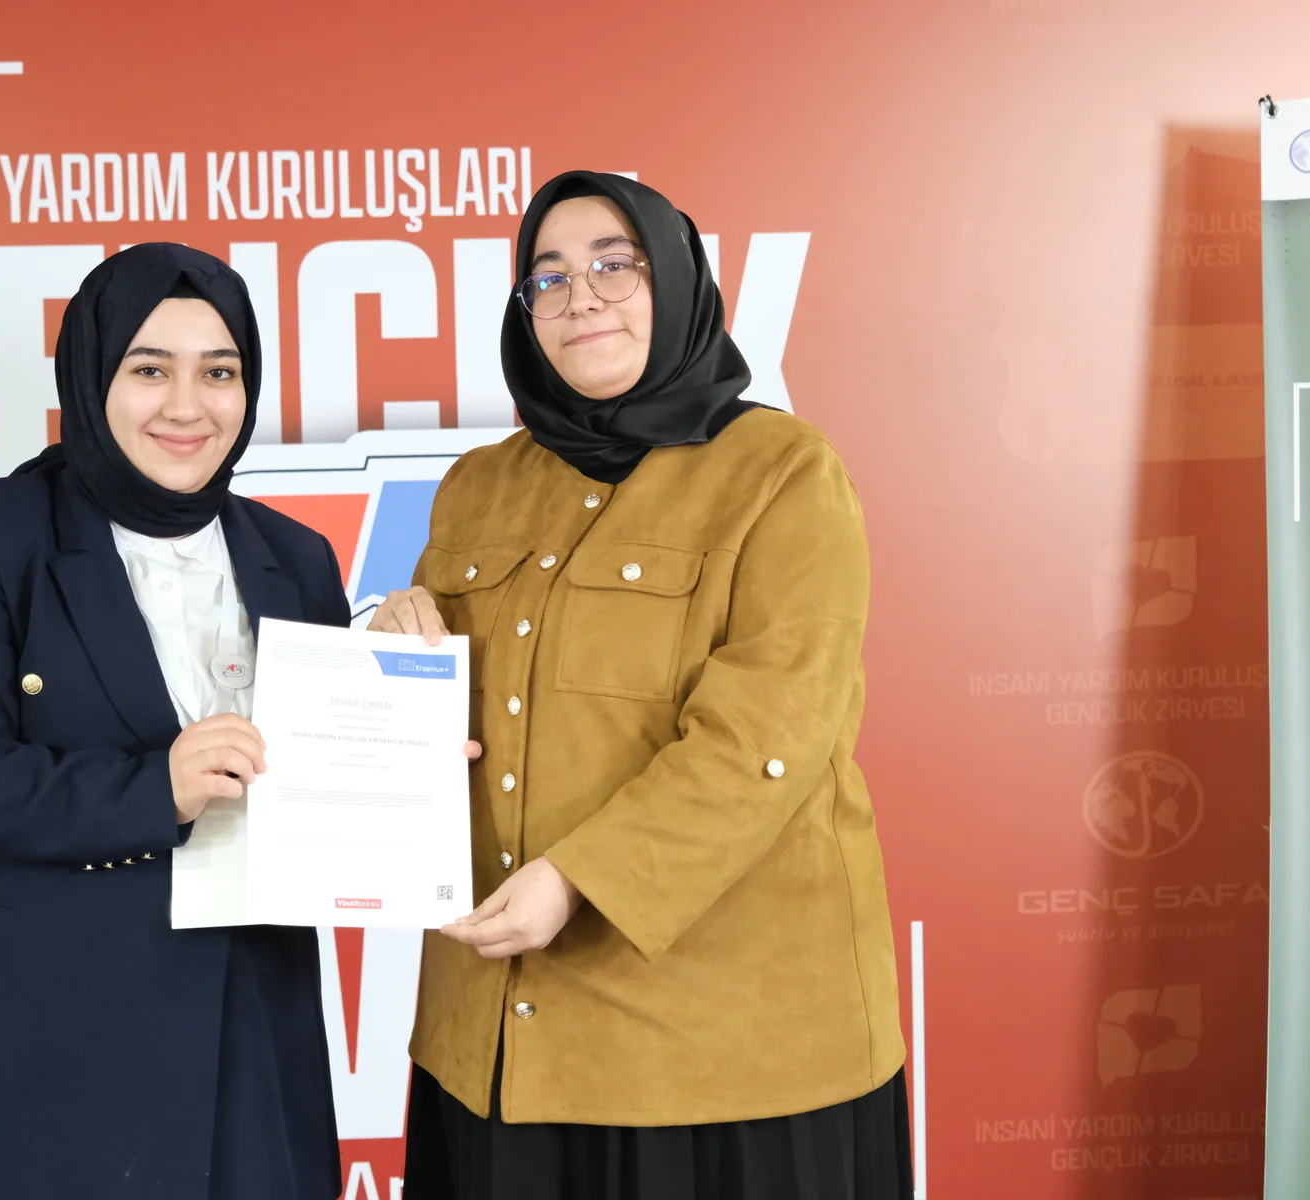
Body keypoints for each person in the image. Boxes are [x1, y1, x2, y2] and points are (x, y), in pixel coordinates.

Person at [372, 172, 913, 1200]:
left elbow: (769, 737)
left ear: (676, 280)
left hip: (722, 1060)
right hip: (495, 1050)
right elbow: (453, 712)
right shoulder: (478, 486)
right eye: (549, 277)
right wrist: (394, 658)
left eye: (614, 266)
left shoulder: (784, 472)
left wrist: (579, 879)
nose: (581, 298)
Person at [0, 243, 348, 1200]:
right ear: (92, 378)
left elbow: (328, 784)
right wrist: (154, 789)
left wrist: (415, 735)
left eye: (219, 372)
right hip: (44, 1043)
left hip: (247, 1044)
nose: (187, 406)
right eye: (149, 369)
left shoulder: (296, 556)